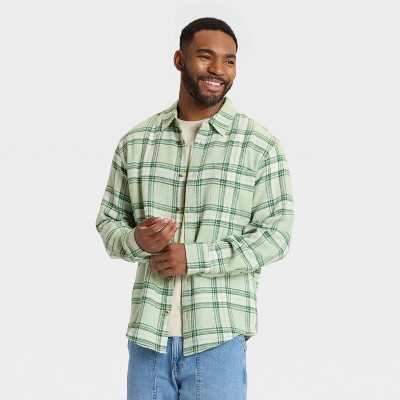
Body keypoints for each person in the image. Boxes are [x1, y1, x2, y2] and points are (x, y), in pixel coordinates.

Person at [96, 17, 294, 400]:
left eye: (229, 60)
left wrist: (195, 257)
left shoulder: (259, 145)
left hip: (218, 336)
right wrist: (137, 240)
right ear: (179, 59)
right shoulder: (137, 142)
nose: (218, 69)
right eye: (206, 56)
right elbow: (109, 223)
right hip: (147, 337)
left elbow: (277, 235)